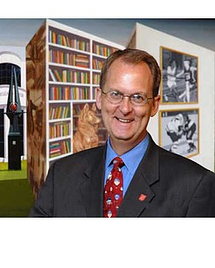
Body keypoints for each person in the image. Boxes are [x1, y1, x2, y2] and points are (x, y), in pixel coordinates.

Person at [30, 48, 215, 217]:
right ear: (99, 99)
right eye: (115, 94)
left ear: (154, 105)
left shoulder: (195, 185)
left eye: (137, 97)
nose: (125, 108)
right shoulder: (62, 174)